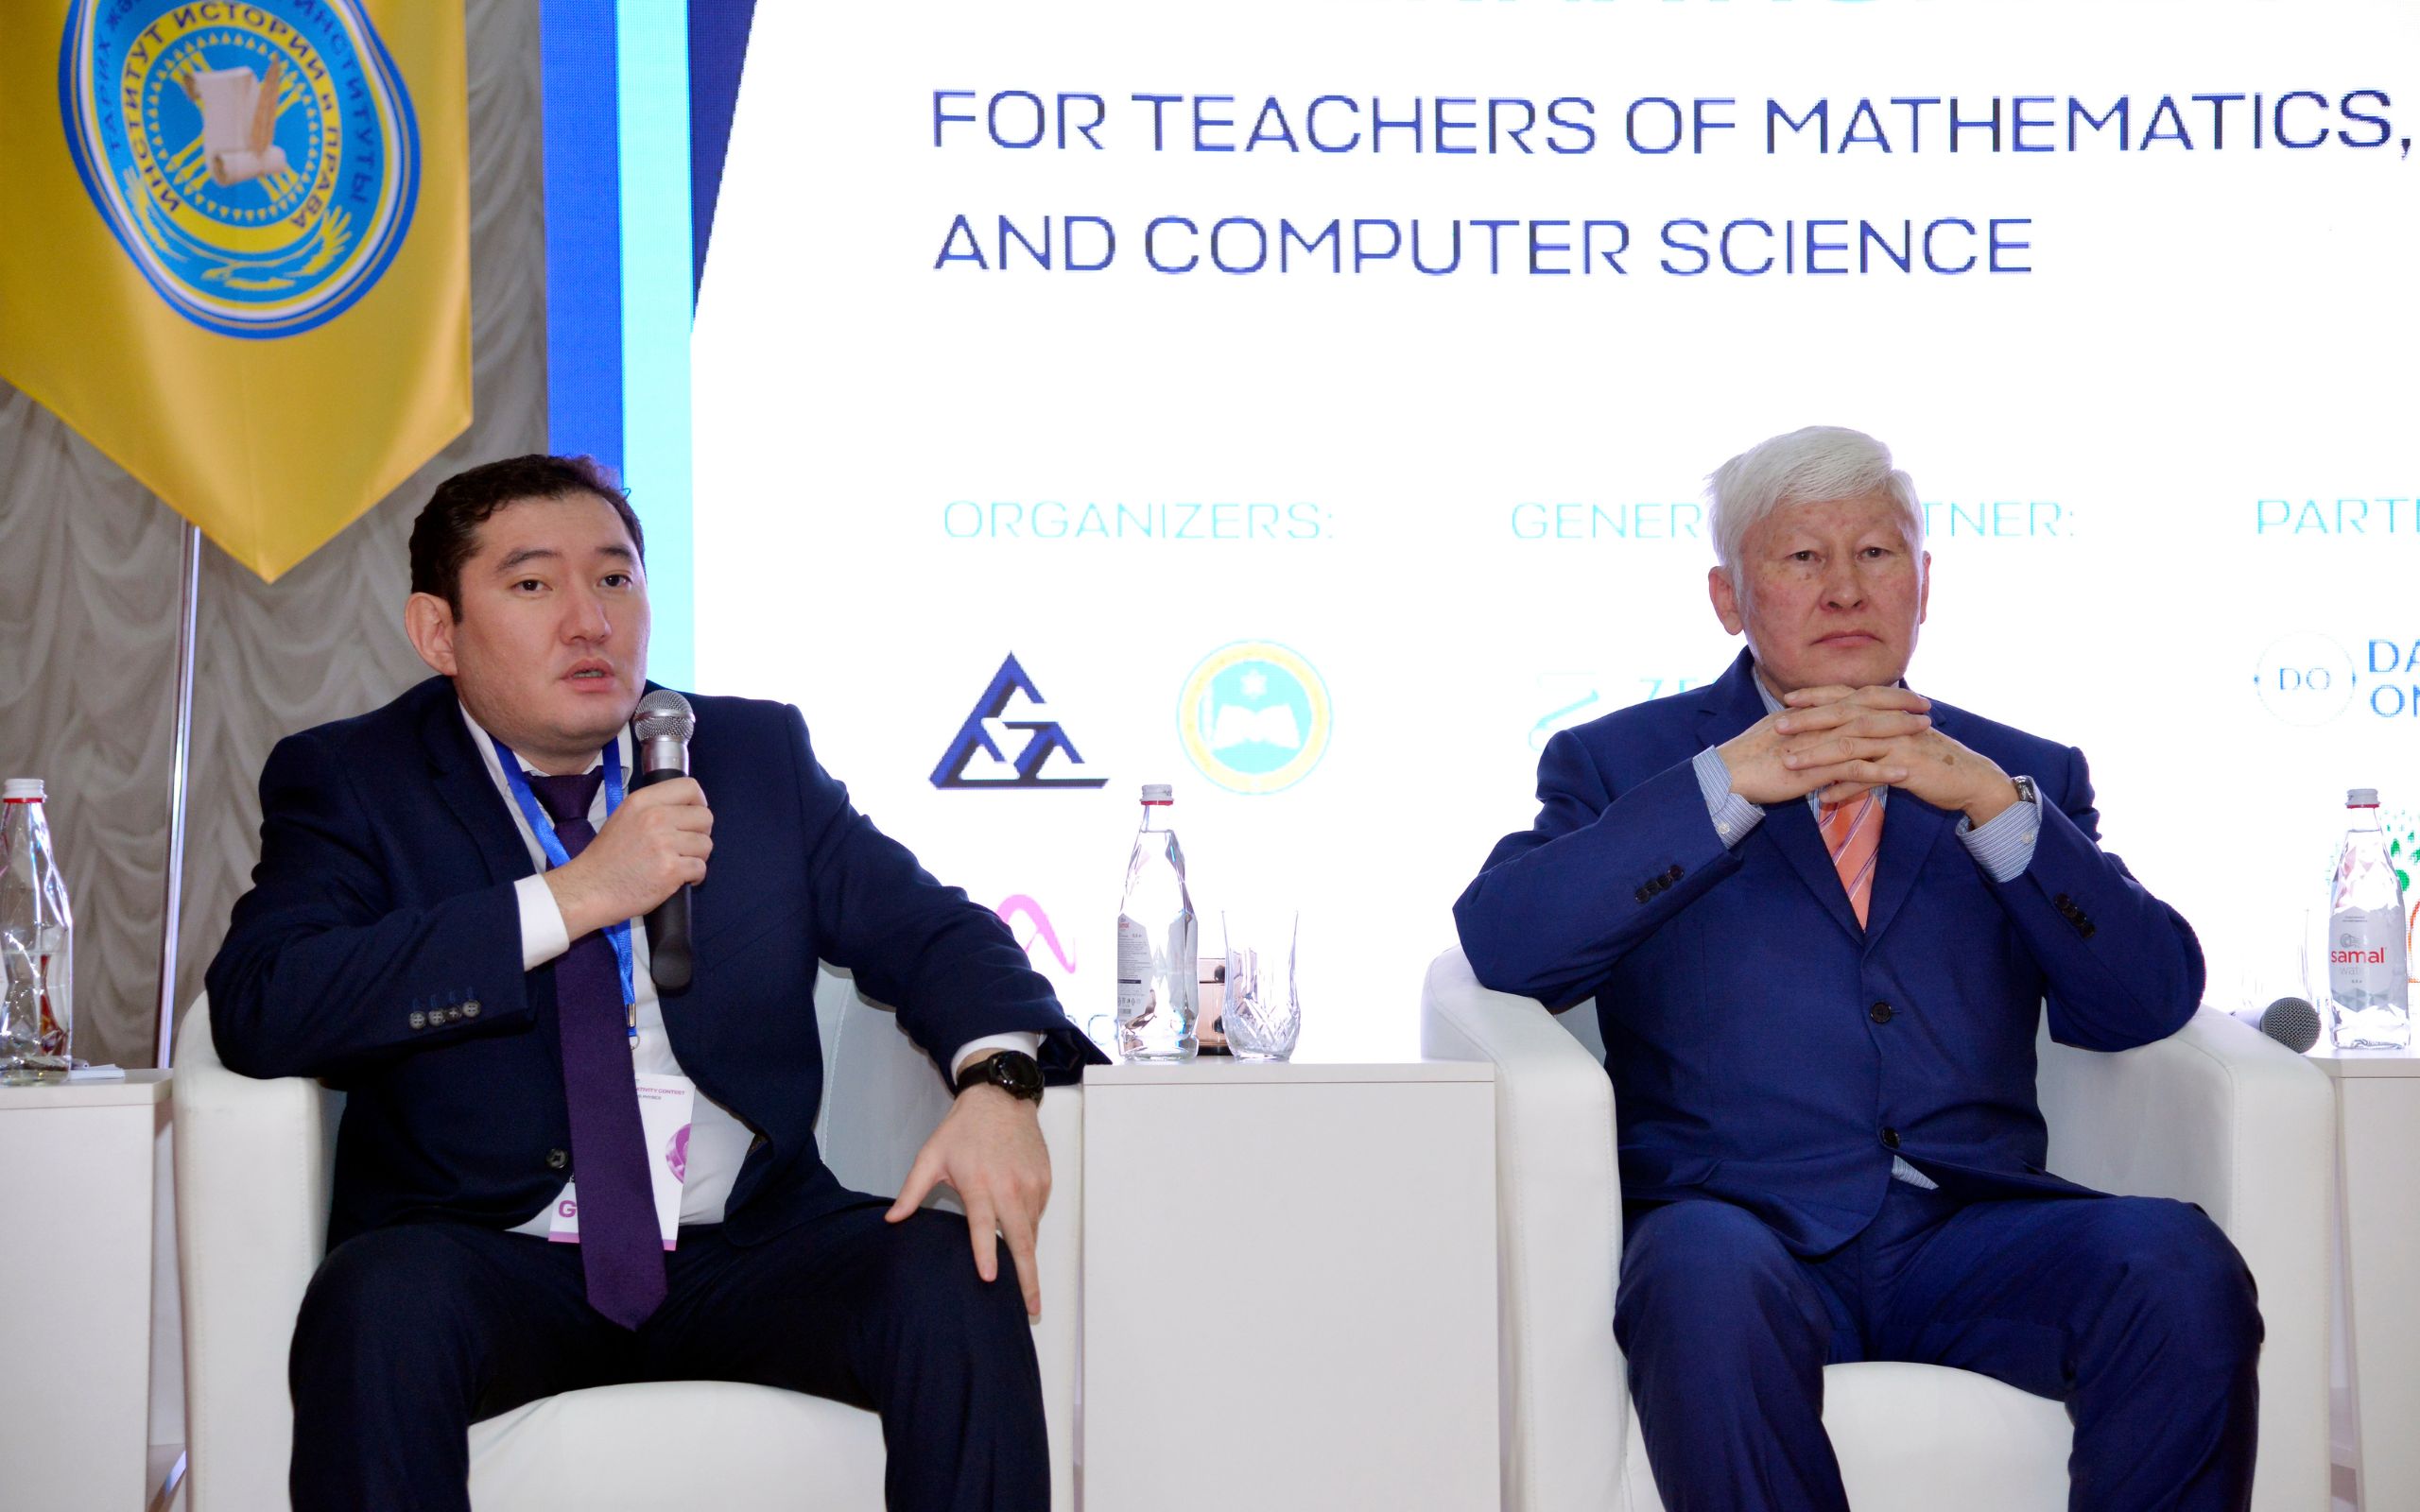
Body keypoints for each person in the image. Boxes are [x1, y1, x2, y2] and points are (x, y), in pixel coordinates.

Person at [206, 455, 1099, 1512]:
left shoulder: (750, 754)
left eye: (615, 579)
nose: (589, 621)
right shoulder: (355, 778)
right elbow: (266, 1002)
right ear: (437, 631)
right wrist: (576, 896)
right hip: (486, 1253)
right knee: (376, 1304)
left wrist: (999, 1079)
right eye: (533, 584)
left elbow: (931, 928)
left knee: (952, 1275)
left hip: (750, 1245)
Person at [1453, 426, 2260, 1511]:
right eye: (1802, 558)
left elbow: (2144, 1000)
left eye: (1875, 554)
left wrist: (1992, 808)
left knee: (2174, 1261)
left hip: (1969, 1229)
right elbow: (1508, 945)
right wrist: (1726, 788)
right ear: (1727, 598)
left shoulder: (2018, 770)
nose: (1844, 588)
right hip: (1736, 1226)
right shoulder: (1619, 761)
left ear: (1923, 583)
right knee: (1697, 1278)